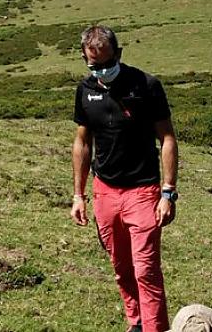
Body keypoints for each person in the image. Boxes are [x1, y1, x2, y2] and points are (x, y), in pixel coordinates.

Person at [70, 25, 179, 332]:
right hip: (105, 191)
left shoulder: (147, 85)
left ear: (118, 54)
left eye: (108, 63)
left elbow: (167, 138)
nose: (102, 71)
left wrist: (168, 192)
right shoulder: (85, 90)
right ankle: (137, 322)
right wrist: (79, 194)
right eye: (95, 66)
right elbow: (83, 142)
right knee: (122, 268)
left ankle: (155, 328)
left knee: (146, 269)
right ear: (84, 59)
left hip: (143, 191)